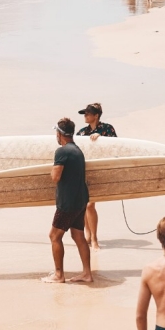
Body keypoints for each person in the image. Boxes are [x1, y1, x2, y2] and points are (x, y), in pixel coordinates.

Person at [43, 118, 93, 283]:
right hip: (81, 200)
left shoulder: (62, 152)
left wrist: (51, 170)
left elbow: (55, 177)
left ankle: (59, 275)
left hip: (68, 203)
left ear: (60, 134)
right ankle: (87, 274)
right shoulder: (78, 151)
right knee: (78, 235)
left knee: (54, 236)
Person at [76, 103, 115, 248]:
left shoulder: (107, 129)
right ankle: (87, 235)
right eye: (84, 114)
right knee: (83, 205)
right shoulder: (81, 132)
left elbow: (116, 146)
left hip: (99, 170)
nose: (85, 116)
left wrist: (101, 138)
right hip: (82, 170)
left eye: (87, 114)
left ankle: (94, 238)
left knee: (90, 204)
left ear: (96, 115)